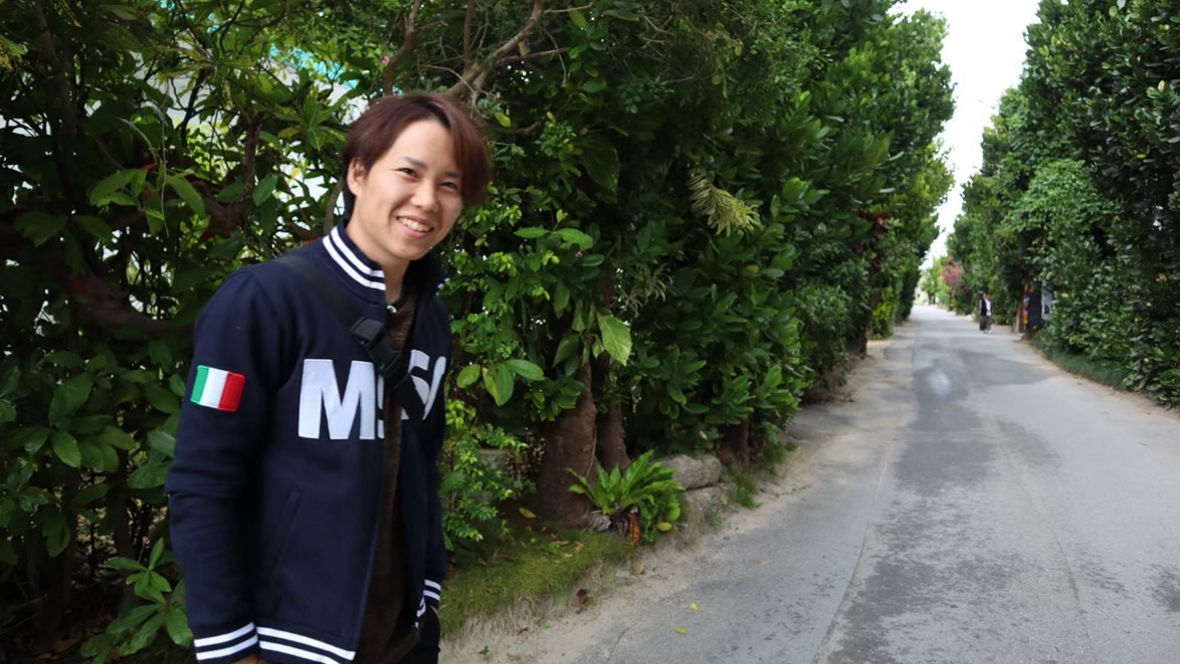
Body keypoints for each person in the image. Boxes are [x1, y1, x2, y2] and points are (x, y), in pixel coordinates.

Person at [166, 94, 491, 664]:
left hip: (404, 640)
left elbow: (423, 465)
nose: (426, 200)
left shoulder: (432, 319)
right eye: (409, 173)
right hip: (289, 642)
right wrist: (229, 646)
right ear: (358, 173)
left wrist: (429, 591)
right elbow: (203, 481)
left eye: (449, 185)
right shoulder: (263, 300)